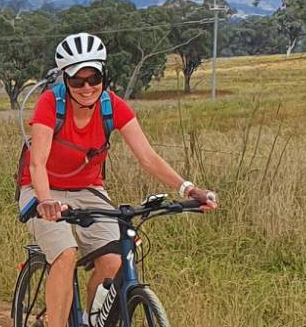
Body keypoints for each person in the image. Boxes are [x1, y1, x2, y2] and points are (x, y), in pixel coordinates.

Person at [18, 32, 217, 327]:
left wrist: (189, 188)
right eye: (77, 81)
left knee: (115, 261)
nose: (87, 88)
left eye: (94, 78)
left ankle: (88, 320)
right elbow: (38, 162)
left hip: (87, 188)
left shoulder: (113, 106)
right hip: (42, 188)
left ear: (104, 75)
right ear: (65, 80)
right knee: (65, 253)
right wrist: (46, 201)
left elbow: (148, 157)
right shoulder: (51, 103)